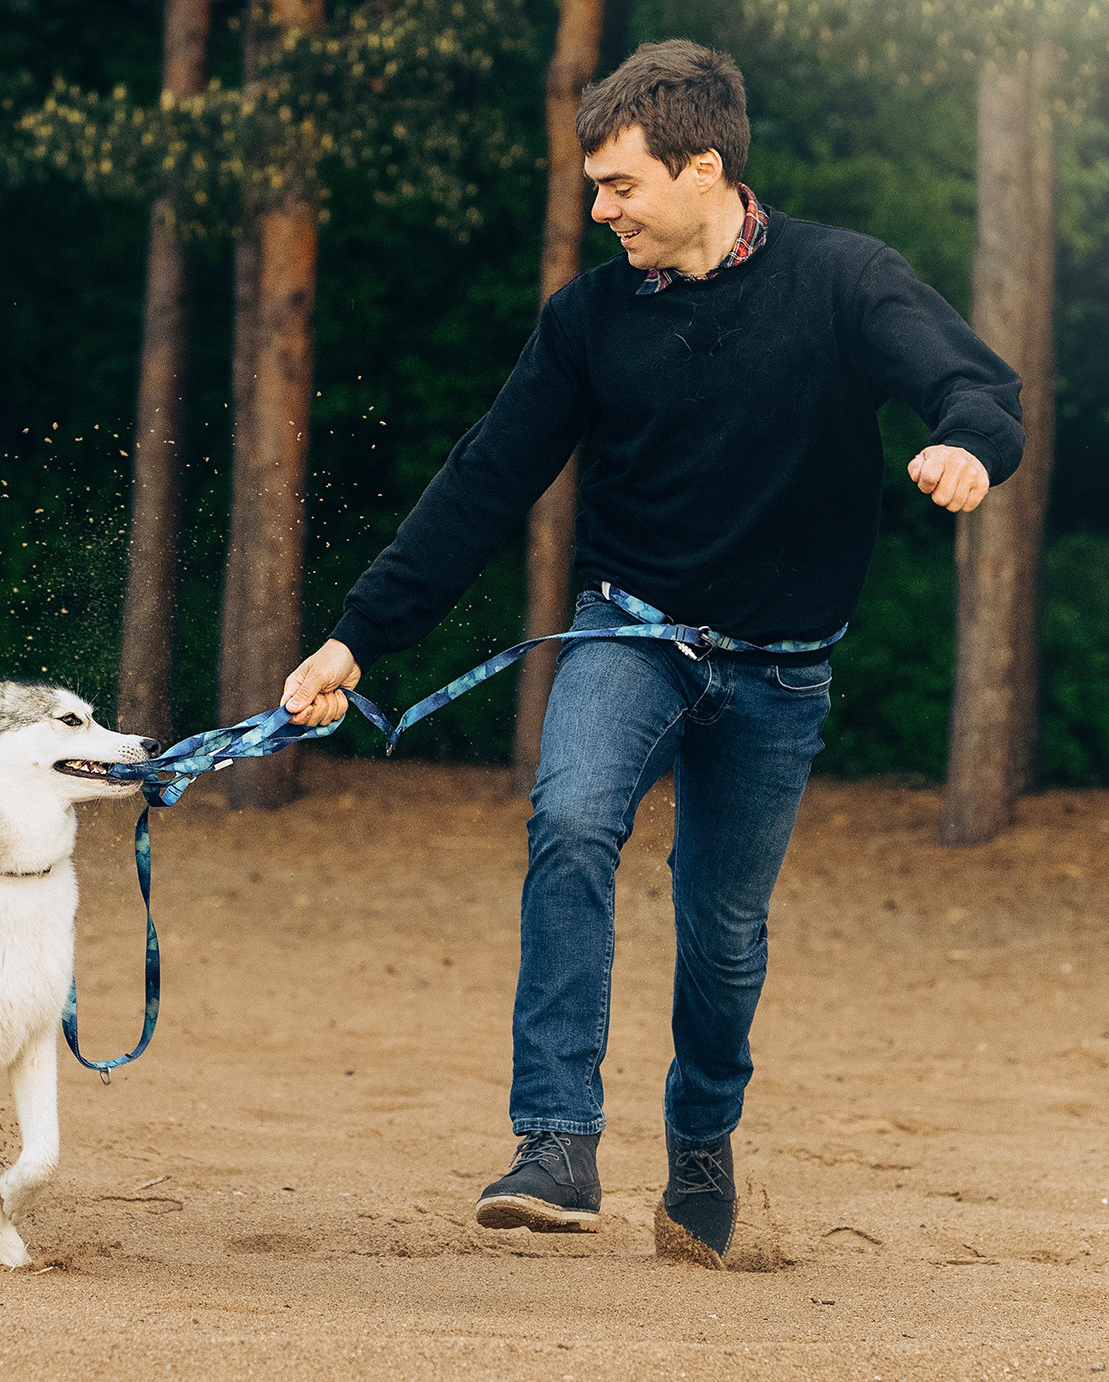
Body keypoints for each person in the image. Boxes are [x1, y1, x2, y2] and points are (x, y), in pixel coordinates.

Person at [279, 38, 1024, 1269]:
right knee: (569, 816)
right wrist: (359, 635)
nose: (597, 208)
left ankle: (698, 1146)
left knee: (723, 932)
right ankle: (555, 1140)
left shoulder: (843, 282)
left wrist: (965, 450)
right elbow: (484, 478)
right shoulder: (588, 320)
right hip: (632, 630)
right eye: (592, 185)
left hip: (780, 669)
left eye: (618, 184)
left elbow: (977, 386)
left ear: (703, 169)